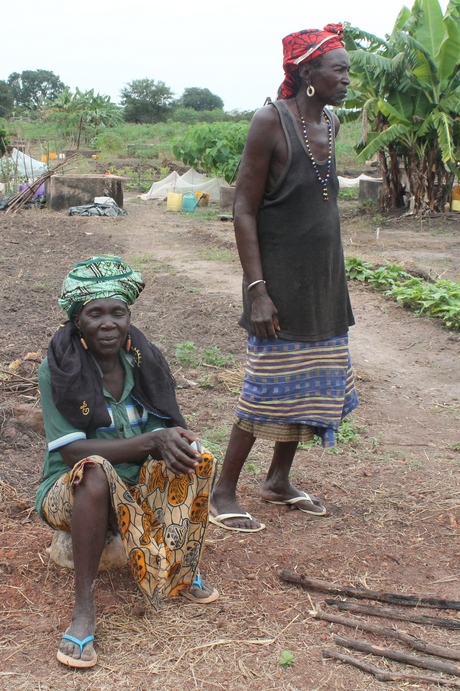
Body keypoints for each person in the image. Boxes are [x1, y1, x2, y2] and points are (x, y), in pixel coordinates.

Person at [210, 24, 358, 533]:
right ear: (308, 72)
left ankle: (277, 480)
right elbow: (244, 211)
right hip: (276, 284)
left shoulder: (332, 123)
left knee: (309, 383)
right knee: (266, 387)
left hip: (323, 281)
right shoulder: (269, 123)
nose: (347, 76)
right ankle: (223, 490)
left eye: (346, 68)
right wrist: (258, 291)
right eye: (338, 68)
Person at [36, 256, 218, 669]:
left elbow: (168, 432)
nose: (107, 323)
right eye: (94, 314)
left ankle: (178, 566)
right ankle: (84, 610)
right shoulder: (58, 369)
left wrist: (174, 440)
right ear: (77, 321)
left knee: (197, 458)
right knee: (95, 470)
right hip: (73, 489)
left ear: (128, 316)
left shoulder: (144, 360)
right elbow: (71, 454)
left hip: (135, 488)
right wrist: (152, 440)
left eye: (117, 312)